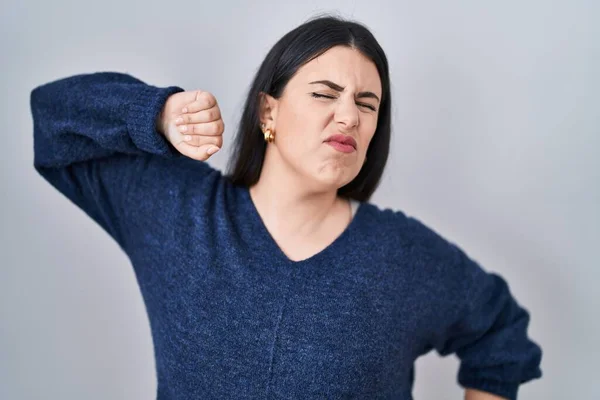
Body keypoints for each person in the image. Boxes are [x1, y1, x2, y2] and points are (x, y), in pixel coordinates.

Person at [30, 15, 542, 400]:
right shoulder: (177, 211)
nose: (349, 116)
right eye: (325, 94)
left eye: (367, 104)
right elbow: (52, 121)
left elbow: (500, 335)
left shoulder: (402, 257)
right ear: (268, 110)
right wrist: (156, 114)